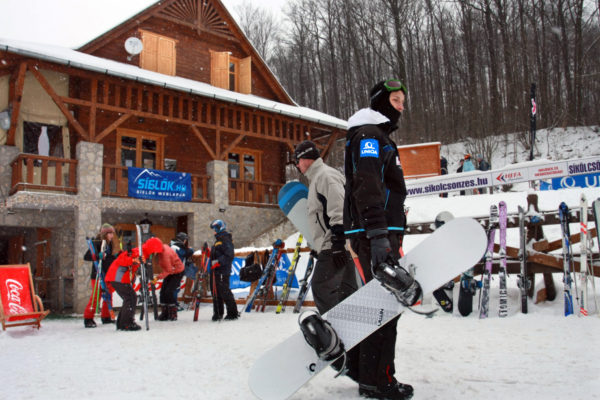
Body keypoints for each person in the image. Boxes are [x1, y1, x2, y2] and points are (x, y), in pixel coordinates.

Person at [344, 79, 421, 400]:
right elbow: (368, 184)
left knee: (378, 304)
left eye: (404, 99)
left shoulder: (375, 136)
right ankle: (379, 381)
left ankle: (365, 372)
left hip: (376, 231)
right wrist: (378, 235)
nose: (401, 105)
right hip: (374, 232)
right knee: (385, 307)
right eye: (396, 99)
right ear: (381, 102)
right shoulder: (370, 136)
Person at [293, 140, 359, 313]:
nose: (297, 166)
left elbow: (339, 208)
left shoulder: (325, 176)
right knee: (346, 292)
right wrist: (319, 247)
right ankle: (355, 332)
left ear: (306, 159)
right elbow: (321, 219)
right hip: (336, 246)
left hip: (336, 246)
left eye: (297, 161)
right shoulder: (319, 178)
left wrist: (337, 243)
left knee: (321, 288)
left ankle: (336, 331)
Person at [82, 223, 120, 328]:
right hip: (97, 274)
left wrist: (115, 257)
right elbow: (87, 256)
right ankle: (88, 318)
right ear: (105, 234)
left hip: (107, 274)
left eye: (112, 233)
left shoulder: (109, 244)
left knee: (108, 295)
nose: (112, 236)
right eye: (110, 233)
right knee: (96, 297)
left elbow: (107, 259)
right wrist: (96, 255)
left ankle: (106, 317)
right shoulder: (96, 243)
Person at [147, 237, 185, 321]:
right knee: (163, 291)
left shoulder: (165, 255)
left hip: (177, 272)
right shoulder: (162, 249)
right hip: (171, 270)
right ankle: (165, 312)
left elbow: (168, 270)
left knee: (169, 291)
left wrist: (157, 278)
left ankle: (172, 313)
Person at [105, 246, 143, 331]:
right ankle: (126, 323)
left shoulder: (136, 253)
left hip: (118, 278)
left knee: (129, 298)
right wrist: (134, 260)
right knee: (130, 298)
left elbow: (131, 267)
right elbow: (123, 261)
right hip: (117, 278)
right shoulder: (134, 253)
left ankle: (122, 322)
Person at [209, 219, 239, 321]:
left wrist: (218, 262)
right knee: (216, 291)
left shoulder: (225, 239)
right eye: (213, 229)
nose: (214, 231)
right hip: (216, 270)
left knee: (224, 291)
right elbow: (217, 253)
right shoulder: (218, 240)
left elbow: (229, 255)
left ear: (220, 228)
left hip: (223, 270)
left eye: (215, 229)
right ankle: (218, 313)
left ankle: (232, 313)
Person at [170, 232, 196, 306]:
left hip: (174, 269)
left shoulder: (173, 245)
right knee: (175, 288)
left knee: (174, 288)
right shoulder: (176, 247)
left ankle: (173, 304)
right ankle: (173, 305)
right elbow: (185, 253)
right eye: (185, 240)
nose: (185, 241)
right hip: (175, 270)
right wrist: (190, 250)